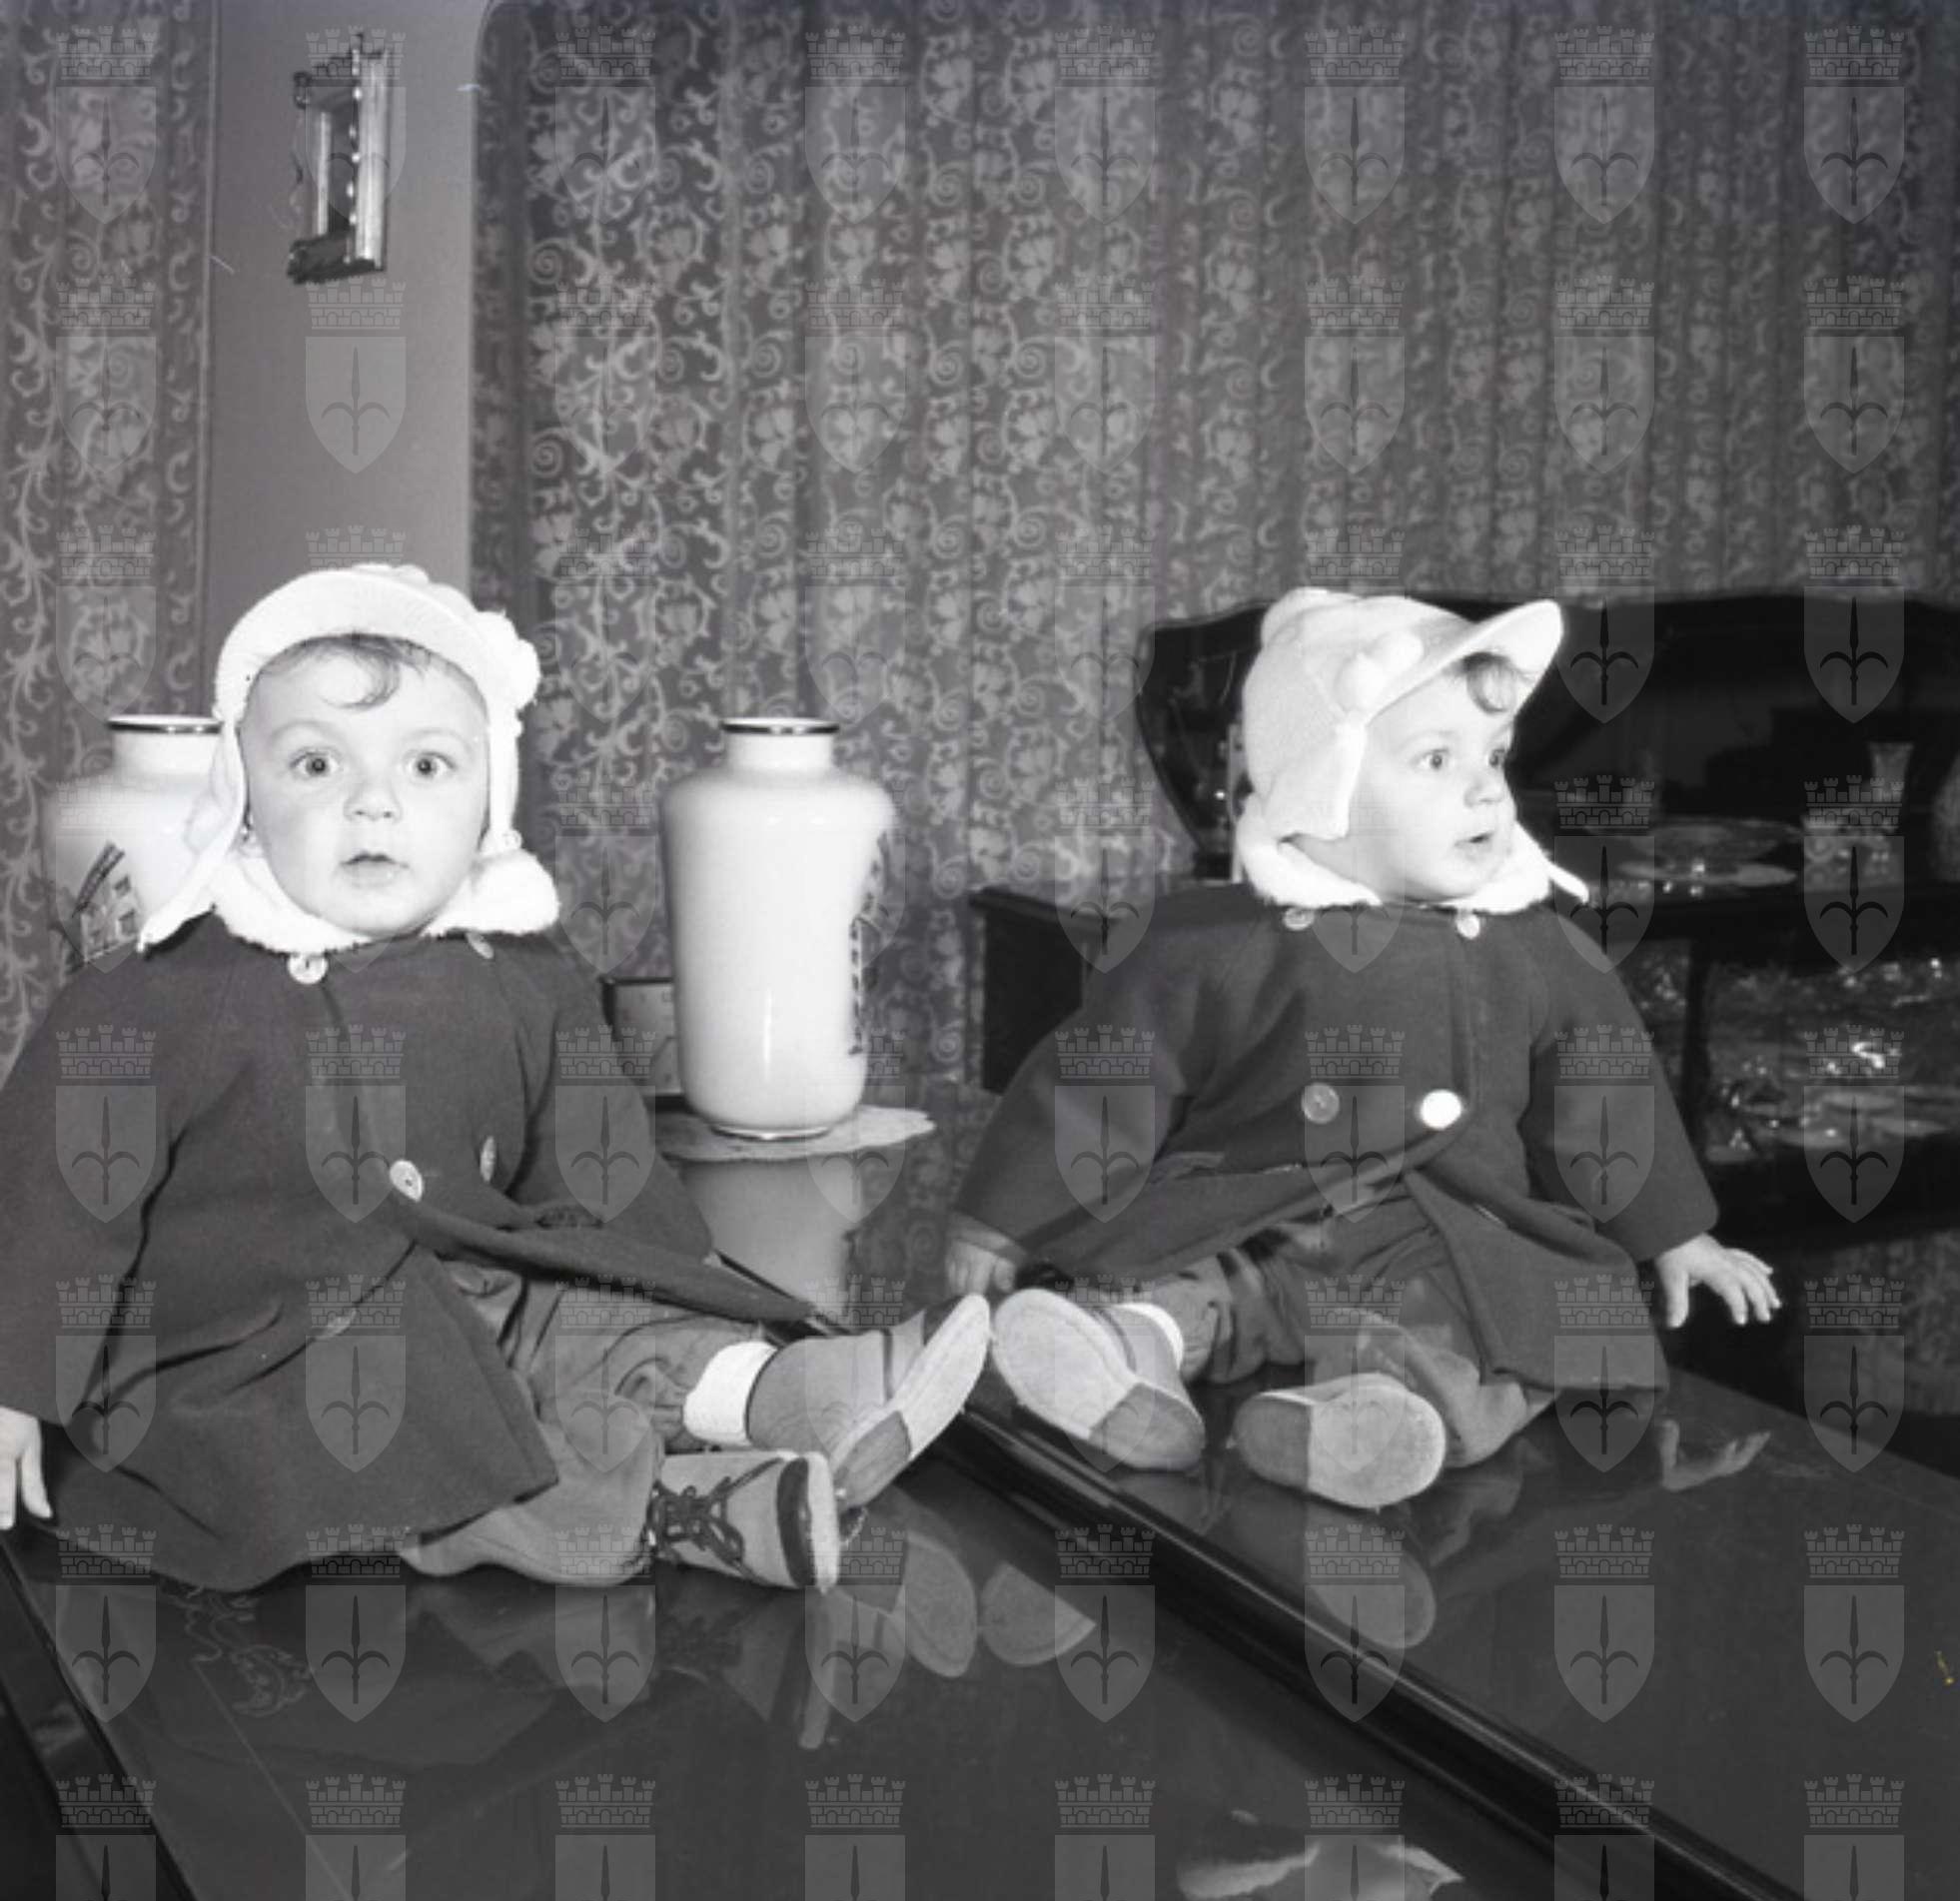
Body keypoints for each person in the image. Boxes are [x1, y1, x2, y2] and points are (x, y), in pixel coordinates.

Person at [0, 564, 988, 1592]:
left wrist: (686, 1276)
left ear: (489, 800)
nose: (373, 802)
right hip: (253, 1352)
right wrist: (11, 1383)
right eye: (315, 763)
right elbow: (46, 1199)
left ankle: (783, 1391)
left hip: (476, 1284)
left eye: (427, 765)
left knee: (590, 1321)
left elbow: (596, 1158)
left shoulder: (519, 967)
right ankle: (684, 1510)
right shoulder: (160, 992)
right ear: (243, 800)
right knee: (411, 1445)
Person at [948, 588, 1777, 1507]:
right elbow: (1105, 1076)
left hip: (1449, 1236)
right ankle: (1129, 1356)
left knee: (1520, 1329)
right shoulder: (1217, 941)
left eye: (1494, 755)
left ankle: (1369, 1421)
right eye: (1436, 759)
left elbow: (1604, 1086)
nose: (1486, 788)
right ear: (1322, 788)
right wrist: (1004, 1218)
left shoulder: (1538, 947)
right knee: (1183, 1280)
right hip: (1256, 1217)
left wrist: (1674, 1231)